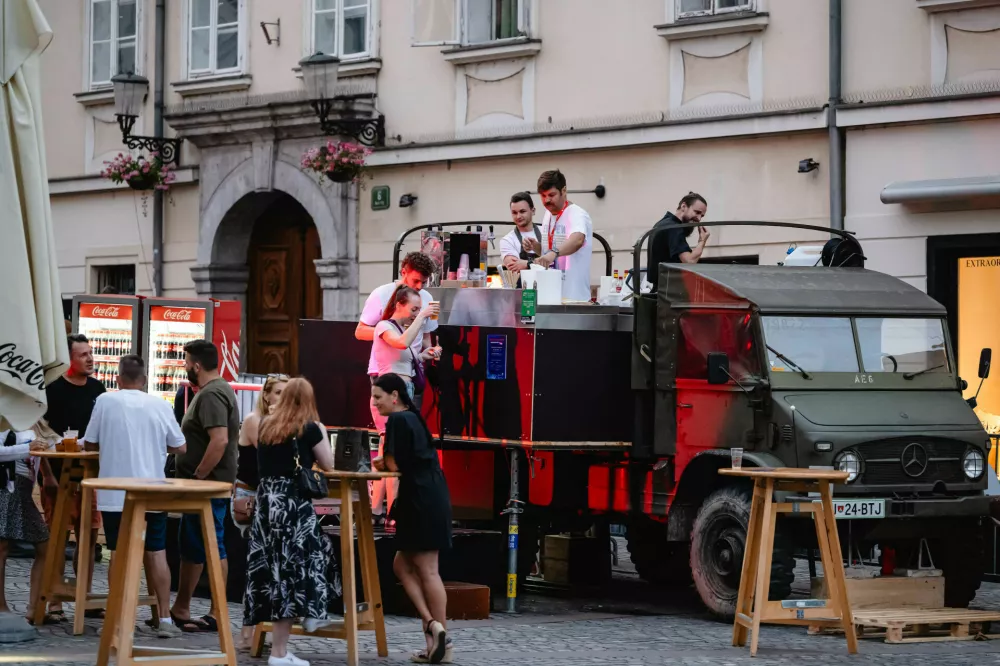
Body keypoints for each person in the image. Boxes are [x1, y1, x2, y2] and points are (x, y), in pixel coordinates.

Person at [80, 355, 186, 638]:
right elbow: (180, 446)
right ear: (145, 379)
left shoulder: (105, 401)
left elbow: (90, 442)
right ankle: (164, 619)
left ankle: (117, 618)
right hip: (152, 489)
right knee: (156, 551)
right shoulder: (160, 405)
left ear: (118, 378)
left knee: (118, 551)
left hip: (116, 492)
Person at [243, 378, 340, 666]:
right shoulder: (309, 429)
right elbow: (329, 465)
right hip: (292, 506)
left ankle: (298, 627)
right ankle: (281, 650)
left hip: (266, 506)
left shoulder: (264, 426)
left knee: (275, 573)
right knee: (301, 565)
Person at [371, 373, 453, 664]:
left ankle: (436, 632)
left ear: (395, 396)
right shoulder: (415, 418)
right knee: (407, 566)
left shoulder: (397, 420)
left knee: (425, 569)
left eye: (378, 397)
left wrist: (381, 461)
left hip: (418, 498)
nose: (374, 402)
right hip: (433, 494)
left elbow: (393, 463)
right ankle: (434, 633)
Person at [355, 251, 440, 522]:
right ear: (404, 271)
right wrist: (392, 332)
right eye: (416, 281)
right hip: (389, 377)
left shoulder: (420, 303)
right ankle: (389, 509)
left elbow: (419, 341)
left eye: (423, 283)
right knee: (392, 446)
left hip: (408, 373)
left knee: (391, 446)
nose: (420, 288)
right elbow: (367, 333)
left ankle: (380, 509)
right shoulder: (384, 304)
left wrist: (428, 352)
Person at [170, 339, 240, 633]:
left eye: (186, 362)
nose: (185, 367)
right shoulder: (214, 391)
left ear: (196, 365)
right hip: (205, 487)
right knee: (195, 546)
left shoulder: (212, 394)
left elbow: (219, 440)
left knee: (212, 546)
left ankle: (216, 612)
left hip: (208, 487)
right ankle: (182, 606)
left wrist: (199, 476)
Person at [40, 333, 104, 620]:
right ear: (69, 360)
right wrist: (46, 476)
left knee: (88, 538)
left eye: (91, 353)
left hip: (90, 475)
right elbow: (39, 436)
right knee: (58, 538)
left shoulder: (97, 389)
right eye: (83, 355)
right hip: (58, 476)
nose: (90, 359)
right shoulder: (52, 389)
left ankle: (84, 595)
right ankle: (54, 601)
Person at [233, 373, 288, 650]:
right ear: (266, 395)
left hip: (270, 498)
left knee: (268, 568)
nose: (281, 399)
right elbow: (269, 454)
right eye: (277, 393)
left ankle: (258, 633)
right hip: (251, 497)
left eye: (286, 394)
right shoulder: (256, 420)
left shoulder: (281, 424)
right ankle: (247, 634)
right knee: (257, 567)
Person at [0, 423, 52, 624]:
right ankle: (2, 608)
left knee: (45, 545)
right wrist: (27, 449)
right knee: (2, 548)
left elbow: (49, 445)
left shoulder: (35, 421)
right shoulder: (5, 417)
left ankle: (34, 608)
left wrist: (47, 476)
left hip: (22, 490)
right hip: (5, 486)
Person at [522, 170, 595, 302]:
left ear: (564, 191)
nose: (547, 200)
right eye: (543, 196)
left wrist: (553, 253)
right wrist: (536, 247)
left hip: (574, 298)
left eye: (551, 195)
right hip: (551, 295)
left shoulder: (577, 214)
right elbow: (549, 253)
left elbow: (578, 240)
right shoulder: (548, 215)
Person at [646, 192, 709, 292]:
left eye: (702, 216)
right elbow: (690, 261)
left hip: (661, 290)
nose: (699, 219)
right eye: (697, 212)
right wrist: (702, 240)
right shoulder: (674, 228)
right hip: (668, 293)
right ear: (683, 206)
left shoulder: (664, 223)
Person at [499, 191, 542, 280]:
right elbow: (515, 268)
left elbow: (555, 261)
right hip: (523, 291)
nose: (518, 216)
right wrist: (541, 263)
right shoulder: (507, 240)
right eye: (514, 212)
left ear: (533, 211)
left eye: (522, 211)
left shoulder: (546, 232)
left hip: (549, 287)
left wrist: (526, 264)